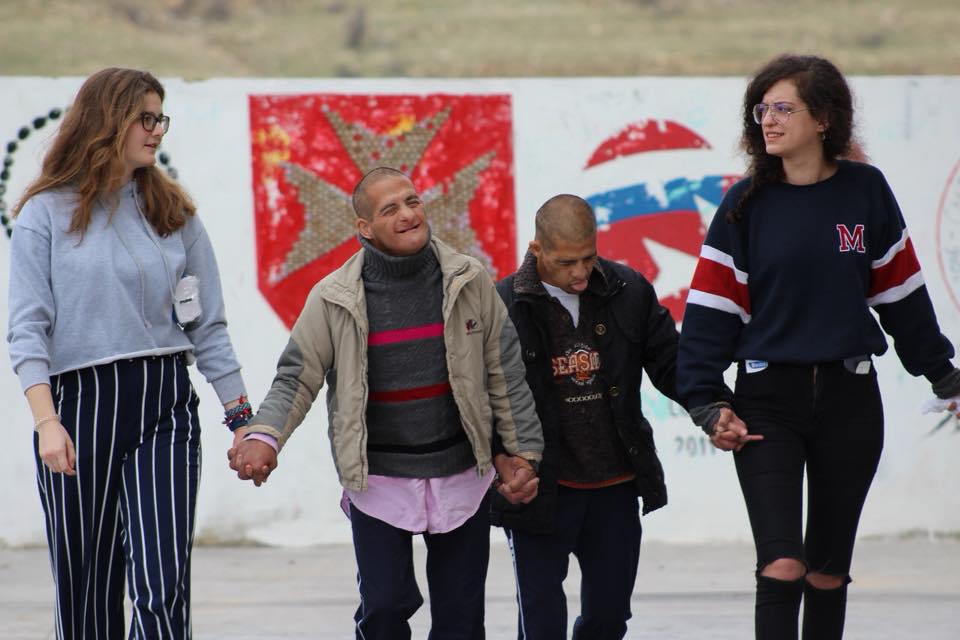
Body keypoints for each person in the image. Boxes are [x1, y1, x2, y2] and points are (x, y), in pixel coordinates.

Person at [677, 53, 960, 640]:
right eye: (762, 109)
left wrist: (944, 374)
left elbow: (901, 295)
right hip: (766, 402)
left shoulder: (866, 191)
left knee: (829, 573)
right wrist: (706, 402)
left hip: (849, 401)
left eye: (784, 109)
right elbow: (710, 312)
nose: (768, 121)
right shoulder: (744, 203)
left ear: (825, 119)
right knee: (782, 566)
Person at [229, 166, 544, 639]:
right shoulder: (334, 297)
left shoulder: (468, 278)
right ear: (364, 228)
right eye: (389, 208)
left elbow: (505, 370)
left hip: (461, 474)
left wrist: (523, 453)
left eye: (412, 201)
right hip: (377, 481)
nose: (407, 213)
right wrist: (264, 434)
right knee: (384, 609)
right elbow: (297, 375)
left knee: (461, 620)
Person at [6, 68, 250, 639]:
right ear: (106, 119)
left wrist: (243, 418)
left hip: (164, 402)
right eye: (145, 117)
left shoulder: (175, 215)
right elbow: (27, 330)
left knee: (162, 583)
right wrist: (47, 423)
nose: (156, 129)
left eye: (160, 117)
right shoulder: (45, 213)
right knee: (85, 585)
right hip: (78, 408)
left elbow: (207, 325)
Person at [492, 193, 684, 639]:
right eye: (565, 262)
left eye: (588, 257)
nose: (580, 273)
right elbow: (481, 398)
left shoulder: (629, 289)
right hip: (541, 489)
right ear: (536, 249)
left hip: (615, 487)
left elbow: (672, 365)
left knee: (609, 619)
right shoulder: (500, 304)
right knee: (540, 626)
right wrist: (501, 460)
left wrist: (715, 407)